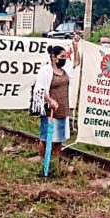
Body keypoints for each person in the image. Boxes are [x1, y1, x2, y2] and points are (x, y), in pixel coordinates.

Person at [32, 36, 82, 168]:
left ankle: (56, 162)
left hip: (62, 109)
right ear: (54, 57)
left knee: (58, 138)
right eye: (62, 56)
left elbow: (76, 62)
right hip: (50, 110)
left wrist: (75, 46)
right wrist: (50, 100)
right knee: (46, 137)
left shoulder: (64, 70)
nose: (65, 59)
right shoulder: (45, 71)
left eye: (66, 56)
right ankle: (44, 161)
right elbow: (40, 89)